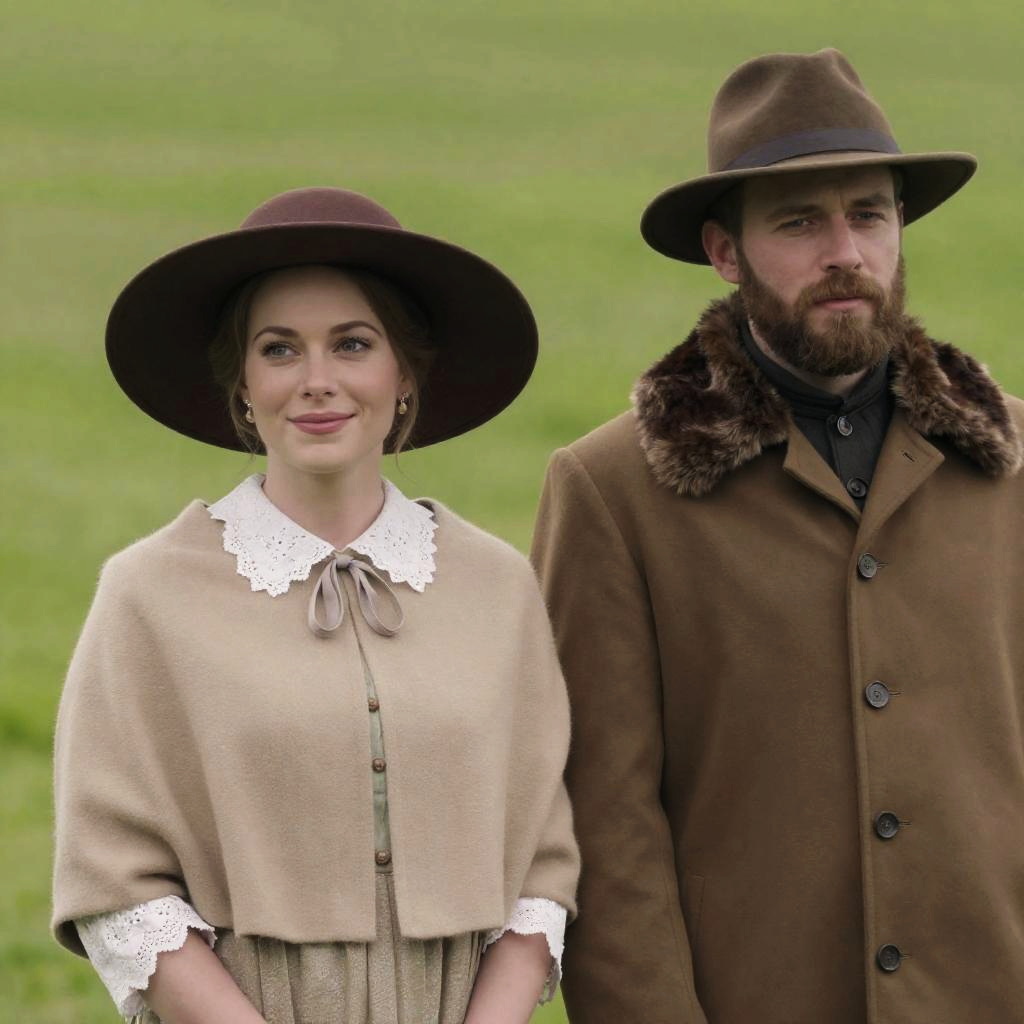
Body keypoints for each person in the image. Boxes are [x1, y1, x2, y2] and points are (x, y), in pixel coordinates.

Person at [532, 48, 1024, 1024]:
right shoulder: (611, 491)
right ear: (725, 252)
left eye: (868, 216)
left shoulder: (1010, 463)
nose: (844, 252)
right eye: (799, 222)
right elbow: (604, 827)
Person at [52, 186, 579, 1024]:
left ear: (404, 374)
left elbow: (542, 869)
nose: (318, 382)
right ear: (242, 383)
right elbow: (116, 884)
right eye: (280, 350)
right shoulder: (148, 594)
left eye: (353, 344)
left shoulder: (497, 585)